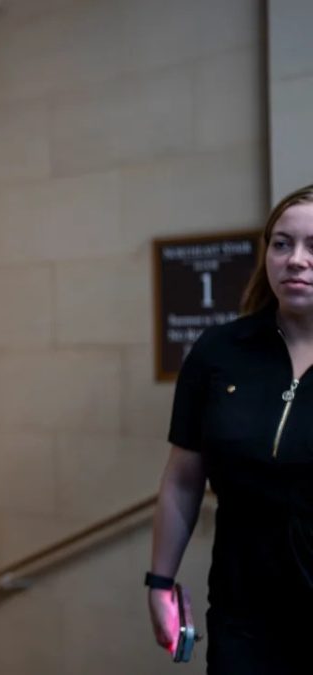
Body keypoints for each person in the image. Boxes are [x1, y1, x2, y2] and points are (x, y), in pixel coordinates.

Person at [148, 184, 313, 673]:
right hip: (244, 617)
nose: (296, 260)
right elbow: (182, 478)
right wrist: (160, 582)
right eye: (281, 244)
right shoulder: (221, 351)